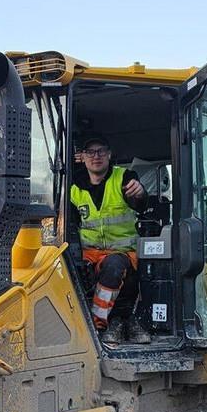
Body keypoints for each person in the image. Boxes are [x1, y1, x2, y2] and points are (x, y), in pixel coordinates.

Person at [70, 134, 152, 344]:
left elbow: (139, 202)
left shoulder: (124, 178)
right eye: (91, 152)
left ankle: (97, 326)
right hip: (89, 253)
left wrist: (140, 193)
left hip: (122, 253)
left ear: (109, 155)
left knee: (114, 267)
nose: (96, 156)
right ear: (83, 157)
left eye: (100, 151)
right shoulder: (73, 188)